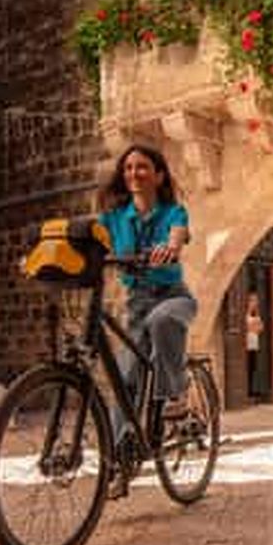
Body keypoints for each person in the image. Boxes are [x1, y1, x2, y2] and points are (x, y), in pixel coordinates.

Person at [99, 144, 197, 491]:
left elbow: (178, 232)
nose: (133, 173)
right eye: (128, 168)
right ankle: (117, 462)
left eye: (142, 167)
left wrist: (170, 247)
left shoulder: (173, 212)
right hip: (137, 305)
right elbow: (89, 237)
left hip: (174, 298)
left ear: (158, 175)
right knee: (125, 379)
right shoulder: (114, 218)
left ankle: (176, 393)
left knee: (163, 321)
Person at [245, 291, 264, 402]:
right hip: (246, 344)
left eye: (256, 301)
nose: (254, 303)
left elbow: (260, 328)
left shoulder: (256, 314)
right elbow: (247, 327)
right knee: (247, 369)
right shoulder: (246, 314)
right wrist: (253, 326)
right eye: (252, 300)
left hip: (254, 344)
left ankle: (253, 393)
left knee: (253, 369)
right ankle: (247, 393)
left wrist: (253, 326)